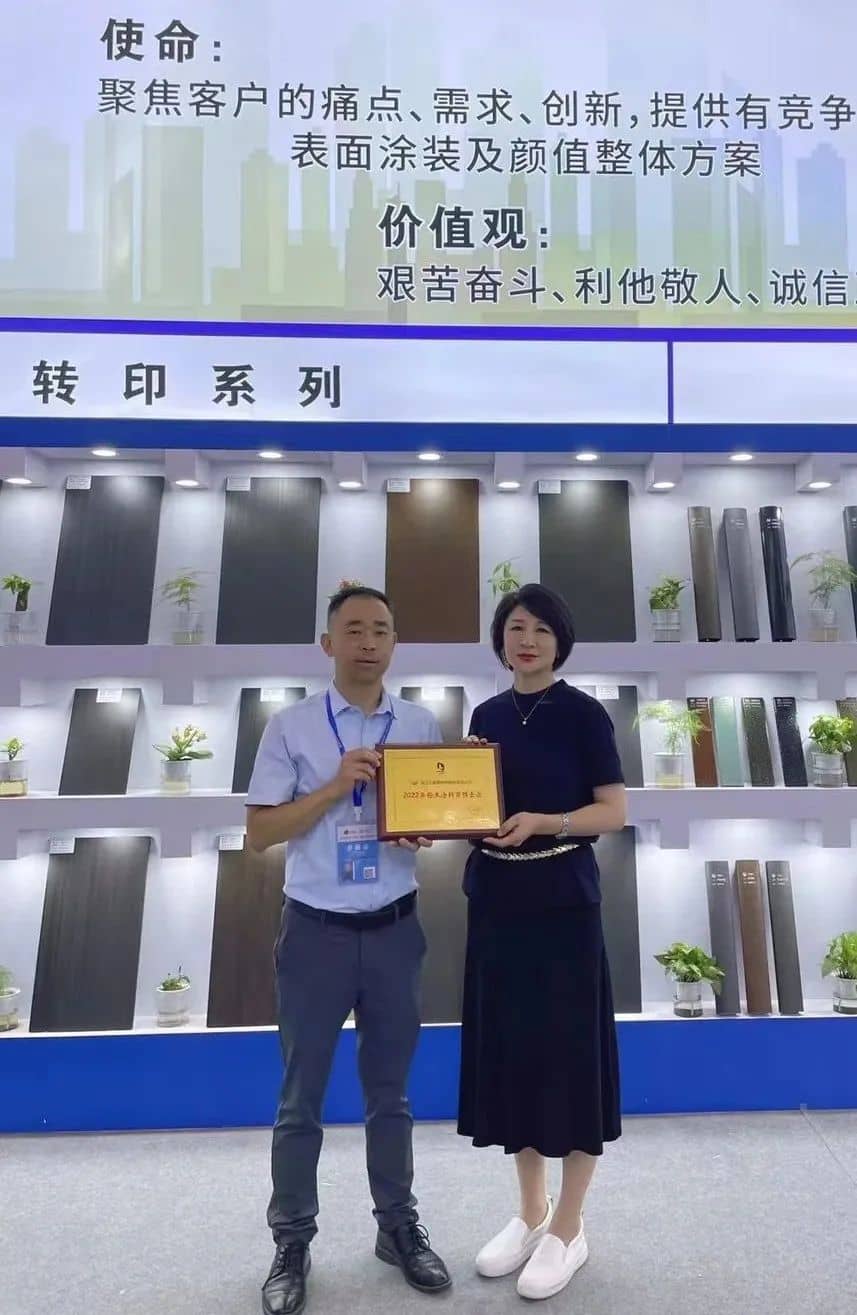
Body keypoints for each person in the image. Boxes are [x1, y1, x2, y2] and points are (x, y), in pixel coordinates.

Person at [246, 585, 452, 1315]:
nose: (368, 641)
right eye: (354, 629)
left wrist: (425, 828)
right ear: (328, 644)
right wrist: (337, 786)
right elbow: (260, 832)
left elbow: (432, 815)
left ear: (394, 643)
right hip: (316, 934)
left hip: (395, 929)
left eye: (381, 630)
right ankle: (291, 1241)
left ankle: (397, 1227)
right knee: (300, 1098)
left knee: (391, 1095)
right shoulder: (292, 726)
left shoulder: (420, 724)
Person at [458, 582, 627, 1302]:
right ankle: (529, 1212)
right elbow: (471, 807)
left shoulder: (584, 713)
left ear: (560, 641)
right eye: (514, 627)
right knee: (514, 1055)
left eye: (540, 629)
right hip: (497, 901)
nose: (525, 640)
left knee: (571, 1057)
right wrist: (455, 801)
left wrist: (546, 820)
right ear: (500, 639)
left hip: (563, 902)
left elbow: (612, 811)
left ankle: (569, 1224)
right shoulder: (485, 715)